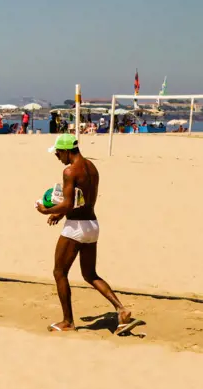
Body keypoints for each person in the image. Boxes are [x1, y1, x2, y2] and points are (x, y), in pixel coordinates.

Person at [36, 134, 143, 335]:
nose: (57, 156)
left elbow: (69, 203)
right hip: (92, 224)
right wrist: (60, 213)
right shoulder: (92, 168)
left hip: (76, 227)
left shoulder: (69, 171)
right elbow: (81, 201)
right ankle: (121, 310)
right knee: (90, 274)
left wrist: (46, 210)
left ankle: (68, 321)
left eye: (58, 152)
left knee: (59, 272)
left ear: (67, 150)